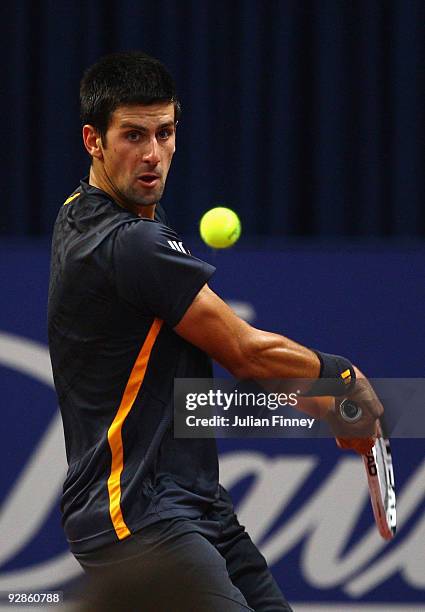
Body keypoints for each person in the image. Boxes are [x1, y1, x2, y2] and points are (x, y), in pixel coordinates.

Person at [48, 51, 383, 611]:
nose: (153, 155)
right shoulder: (132, 244)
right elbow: (246, 353)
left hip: (193, 502)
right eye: (133, 135)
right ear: (93, 140)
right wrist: (340, 379)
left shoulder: (77, 211)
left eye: (165, 133)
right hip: (137, 512)